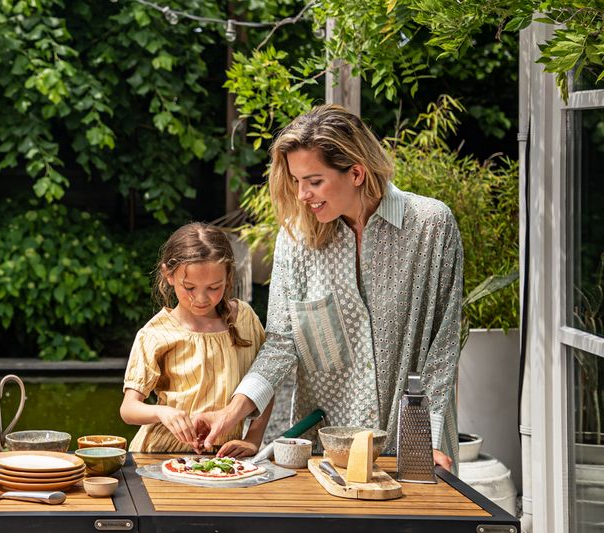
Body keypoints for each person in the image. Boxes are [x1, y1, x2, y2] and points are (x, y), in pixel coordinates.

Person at [194, 104, 463, 471]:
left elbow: (443, 345)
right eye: (296, 181)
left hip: (411, 448)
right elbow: (282, 342)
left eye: (314, 181)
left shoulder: (431, 226)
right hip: (327, 451)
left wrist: (424, 439)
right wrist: (233, 410)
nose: (302, 194)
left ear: (356, 172)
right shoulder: (296, 238)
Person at [119, 222, 272, 456]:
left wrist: (253, 439)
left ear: (228, 276)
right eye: (189, 287)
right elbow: (128, 409)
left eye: (213, 287)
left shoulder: (246, 320)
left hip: (223, 459)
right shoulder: (155, 333)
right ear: (168, 275)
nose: (201, 298)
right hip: (159, 455)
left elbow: (266, 384)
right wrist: (162, 413)